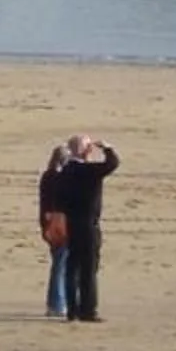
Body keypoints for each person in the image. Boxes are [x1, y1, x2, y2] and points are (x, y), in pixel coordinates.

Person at [47, 134, 119, 323]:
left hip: (71, 225)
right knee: (88, 269)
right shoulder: (88, 171)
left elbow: (57, 200)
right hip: (87, 225)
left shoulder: (65, 172)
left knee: (72, 268)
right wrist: (107, 148)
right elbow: (112, 164)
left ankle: (72, 310)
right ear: (86, 151)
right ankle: (87, 310)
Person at [36, 145, 72, 318]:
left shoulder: (47, 175)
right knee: (61, 264)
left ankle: (56, 303)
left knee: (59, 262)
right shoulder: (59, 177)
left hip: (48, 224)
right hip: (59, 224)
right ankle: (57, 304)